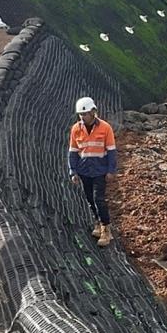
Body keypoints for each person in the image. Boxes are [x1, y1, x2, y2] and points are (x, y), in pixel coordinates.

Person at [68, 97, 118, 246]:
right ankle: (97, 222)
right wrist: (73, 171)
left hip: (99, 171)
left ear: (93, 112)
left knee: (99, 199)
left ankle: (106, 229)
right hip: (84, 171)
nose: (83, 117)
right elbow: (73, 151)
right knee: (90, 200)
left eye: (86, 114)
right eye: (81, 115)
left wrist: (111, 170)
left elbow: (111, 151)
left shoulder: (105, 128)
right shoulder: (76, 129)